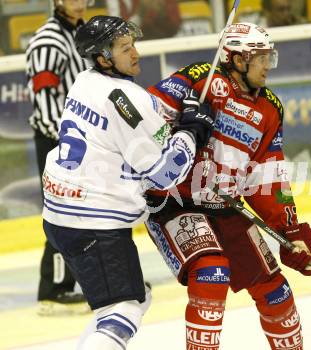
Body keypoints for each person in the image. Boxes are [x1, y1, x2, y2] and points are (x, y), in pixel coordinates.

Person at [41, 15, 215, 349]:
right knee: (124, 309)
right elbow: (166, 173)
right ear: (104, 58)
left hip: (59, 215)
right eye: (124, 48)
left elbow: (122, 132)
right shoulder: (127, 98)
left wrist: (170, 128)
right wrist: (194, 131)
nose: (134, 52)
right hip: (93, 222)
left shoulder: (84, 81)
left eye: (132, 44)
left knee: (126, 302)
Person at [145, 22, 311, 350]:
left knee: (276, 291)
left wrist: (290, 231)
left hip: (226, 206)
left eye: (270, 57)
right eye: (262, 58)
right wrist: (178, 130)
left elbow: (268, 177)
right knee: (212, 272)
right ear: (239, 60)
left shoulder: (270, 108)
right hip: (176, 201)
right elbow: (141, 123)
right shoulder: (199, 78)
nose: (268, 65)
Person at [25, 0, 92, 316]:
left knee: (91, 211)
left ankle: (98, 282)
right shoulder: (48, 40)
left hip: (83, 139)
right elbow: (44, 98)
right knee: (63, 212)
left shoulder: (82, 33)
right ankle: (53, 291)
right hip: (59, 141)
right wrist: (65, 143)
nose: (81, 2)